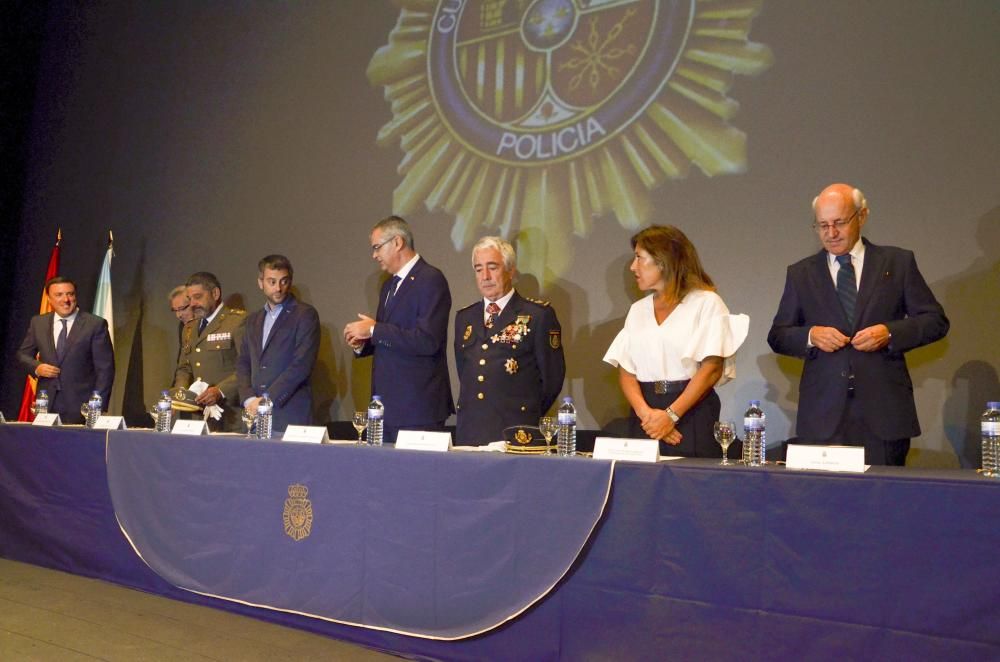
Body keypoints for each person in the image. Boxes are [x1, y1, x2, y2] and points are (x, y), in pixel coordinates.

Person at [767, 183, 949, 466]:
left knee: (883, 502)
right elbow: (778, 335)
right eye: (822, 225)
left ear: (861, 216)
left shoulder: (897, 262)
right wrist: (812, 336)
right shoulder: (801, 273)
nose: (831, 233)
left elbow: (936, 321)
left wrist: (890, 333)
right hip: (824, 415)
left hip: (884, 412)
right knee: (826, 505)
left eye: (839, 222)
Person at [603, 226, 748, 457]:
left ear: (663, 261)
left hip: (691, 411)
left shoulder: (706, 303)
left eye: (640, 258)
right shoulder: (637, 310)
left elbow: (711, 368)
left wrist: (670, 416)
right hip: (646, 416)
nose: (633, 267)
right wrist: (648, 417)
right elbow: (626, 370)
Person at [343, 215, 453, 443]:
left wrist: (374, 330)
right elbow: (390, 336)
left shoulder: (430, 279)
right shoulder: (389, 285)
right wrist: (363, 342)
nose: (374, 255)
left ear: (397, 242)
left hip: (418, 408)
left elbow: (427, 340)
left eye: (377, 247)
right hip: (387, 410)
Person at [454, 237, 566, 444]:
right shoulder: (464, 317)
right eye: (478, 269)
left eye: (492, 267)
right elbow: (465, 370)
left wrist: (524, 411)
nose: (485, 276)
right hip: (470, 431)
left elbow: (552, 379)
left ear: (511, 270)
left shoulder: (538, 315)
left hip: (516, 431)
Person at [237, 255, 320, 434]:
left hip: (288, 414)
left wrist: (266, 400)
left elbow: (301, 365)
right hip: (254, 415)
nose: (278, 288)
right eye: (272, 282)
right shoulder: (253, 320)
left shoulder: (305, 315)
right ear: (261, 283)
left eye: (284, 281)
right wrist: (248, 398)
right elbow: (243, 362)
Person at [16, 276, 115, 424]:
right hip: (46, 405)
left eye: (70, 294)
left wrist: (96, 406)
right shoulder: (38, 323)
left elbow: (105, 369)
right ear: (49, 298)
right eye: (59, 295)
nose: (66, 299)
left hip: (82, 408)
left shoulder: (95, 324)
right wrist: (37, 367)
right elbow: (22, 355)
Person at [174, 272, 247, 432]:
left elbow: (247, 367)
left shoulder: (237, 322)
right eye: (189, 299)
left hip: (229, 414)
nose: (192, 304)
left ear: (215, 293)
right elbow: (184, 368)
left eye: (198, 297)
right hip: (199, 416)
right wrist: (180, 392)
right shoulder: (189, 328)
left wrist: (220, 390)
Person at [169, 285, 194, 364]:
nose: (178, 315)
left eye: (182, 308)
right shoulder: (183, 326)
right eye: (175, 310)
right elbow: (182, 362)